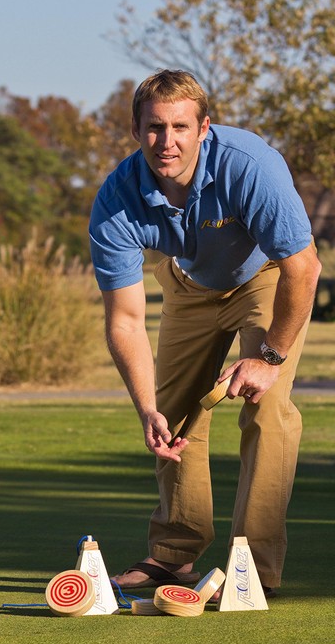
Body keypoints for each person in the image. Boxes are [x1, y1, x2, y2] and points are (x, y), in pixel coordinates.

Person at [88, 69, 321, 598]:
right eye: (153, 127)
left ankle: (251, 571)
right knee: (171, 411)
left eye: (179, 127)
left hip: (264, 278)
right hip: (188, 284)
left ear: (203, 129)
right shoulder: (116, 200)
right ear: (134, 129)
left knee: (266, 403)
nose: (166, 142)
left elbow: (303, 268)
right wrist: (146, 406)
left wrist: (270, 358)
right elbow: (125, 319)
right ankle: (174, 555)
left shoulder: (249, 166)